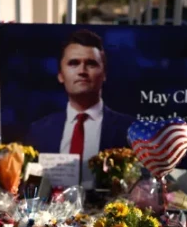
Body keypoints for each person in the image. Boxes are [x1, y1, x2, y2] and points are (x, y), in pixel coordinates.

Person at [25, 29, 133, 186]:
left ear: (104, 74)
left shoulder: (129, 131)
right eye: (73, 63)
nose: (82, 71)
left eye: (91, 64)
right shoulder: (38, 131)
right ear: (60, 75)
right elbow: (31, 188)